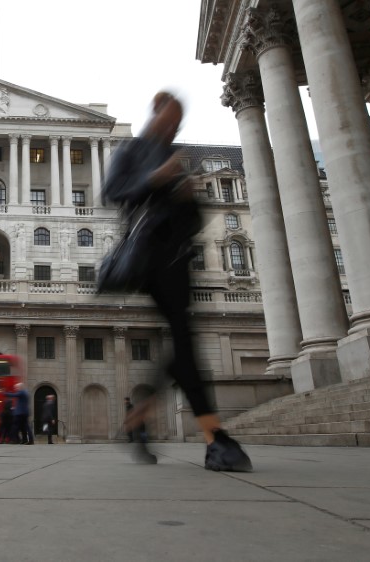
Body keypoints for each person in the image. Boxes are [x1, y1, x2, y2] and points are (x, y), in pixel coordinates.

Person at [103, 92, 252, 472]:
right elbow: (114, 193)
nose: (172, 128)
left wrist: (187, 195)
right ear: (155, 112)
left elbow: (194, 222)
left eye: (177, 123)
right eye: (169, 120)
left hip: (177, 260)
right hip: (150, 261)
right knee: (184, 341)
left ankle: (141, 417)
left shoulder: (177, 158)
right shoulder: (132, 152)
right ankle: (215, 437)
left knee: (182, 342)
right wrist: (155, 178)